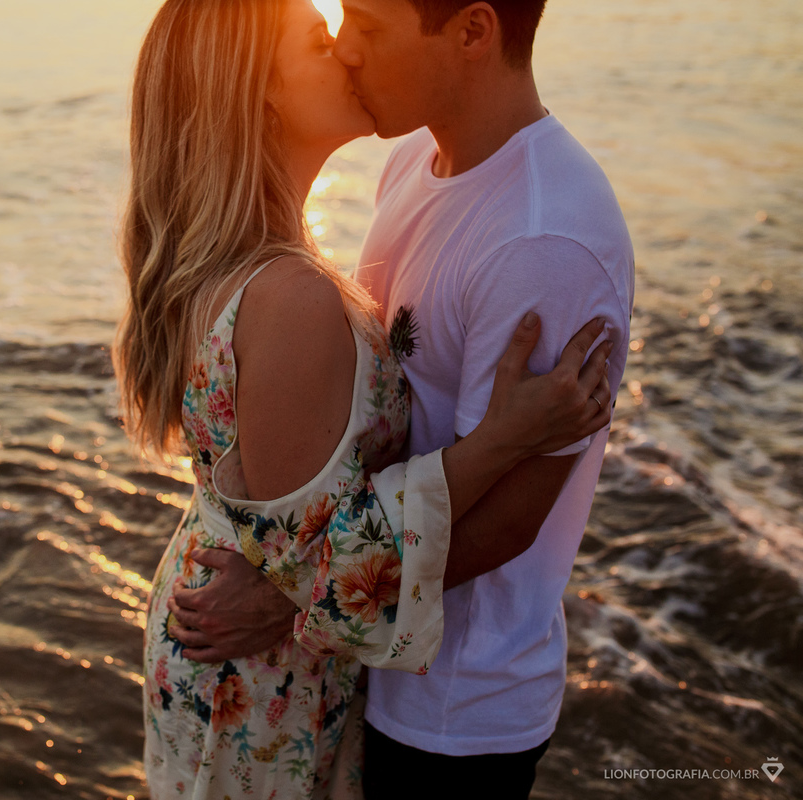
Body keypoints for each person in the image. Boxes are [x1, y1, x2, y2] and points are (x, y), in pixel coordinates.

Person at [113, 0, 615, 797]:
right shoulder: (291, 290)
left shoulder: (536, 233)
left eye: (362, 27)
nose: (347, 52)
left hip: (345, 684)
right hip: (267, 684)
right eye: (324, 36)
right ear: (261, 94)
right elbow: (317, 553)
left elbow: (304, 547)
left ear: (474, 31)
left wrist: (285, 587)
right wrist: (503, 439)